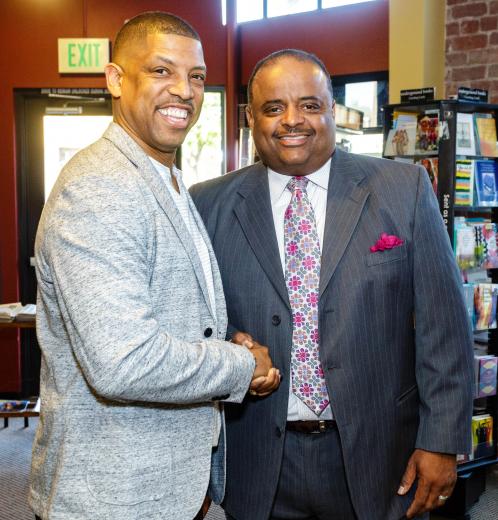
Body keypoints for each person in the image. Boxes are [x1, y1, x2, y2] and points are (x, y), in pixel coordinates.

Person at [190, 49, 474, 520]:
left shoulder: (403, 189)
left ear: (332, 111)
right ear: (250, 118)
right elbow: (194, 323)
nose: (292, 120)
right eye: (274, 107)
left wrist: (442, 442)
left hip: (382, 456)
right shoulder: (207, 204)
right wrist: (231, 343)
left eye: (309, 105)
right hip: (257, 458)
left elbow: (444, 327)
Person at [29, 12, 279, 520]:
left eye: (196, 76)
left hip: (168, 488)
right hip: (112, 498)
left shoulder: (164, 175)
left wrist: (223, 339)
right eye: (161, 71)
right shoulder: (98, 187)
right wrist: (239, 365)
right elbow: (123, 361)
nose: (184, 91)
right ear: (115, 79)